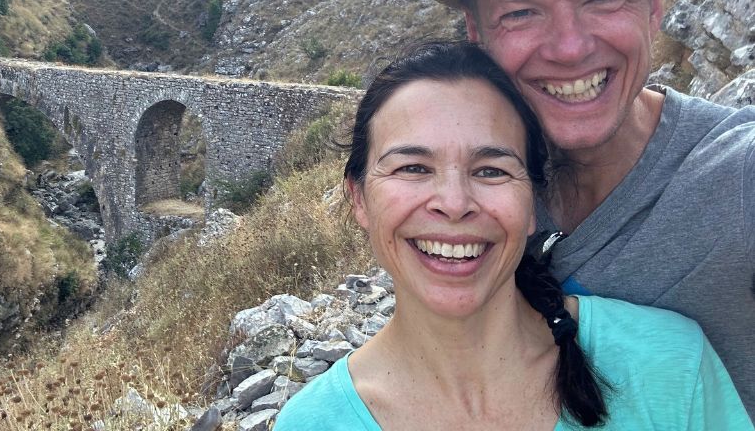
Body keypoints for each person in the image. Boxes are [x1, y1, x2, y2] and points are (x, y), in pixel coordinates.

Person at [415, 0, 755, 414]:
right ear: (477, 33)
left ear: (654, 4)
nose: (570, 49)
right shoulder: (466, 193)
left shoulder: (738, 174)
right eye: (522, 12)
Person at [274, 42, 751, 430]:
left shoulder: (671, 366)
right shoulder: (310, 423)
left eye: (490, 169)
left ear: (532, 205)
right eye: (413, 167)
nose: (454, 202)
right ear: (358, 198)